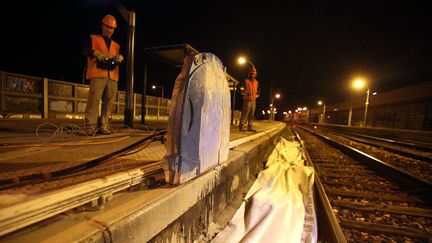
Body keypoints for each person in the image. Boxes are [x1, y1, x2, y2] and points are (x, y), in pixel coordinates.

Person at [83, 14, 124, 134]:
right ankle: (90, 126)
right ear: (102, 26)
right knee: (94, 101)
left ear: (113, 30)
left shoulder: (116, 45)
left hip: (112, 76)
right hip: (98, 75)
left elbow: (117, 58)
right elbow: (85, 50)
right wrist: (95, 53)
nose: (108, 29)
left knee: (109, 102)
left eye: (111, 28)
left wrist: (120, 57)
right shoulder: (93, 38)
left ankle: (104, 126)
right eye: (106, 26)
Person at [238, 66, 260, 132]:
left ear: (255, 74)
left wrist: (258, 94)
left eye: (253, 74)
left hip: (253, 100)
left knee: (252, 114)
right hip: (247, 100)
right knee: (245, 113)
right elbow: (239, 87)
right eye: (251, 74)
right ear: (249, 74)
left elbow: (259, 90)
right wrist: (243, 92)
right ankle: (241, 127)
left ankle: (250, 127)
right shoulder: (245, 81)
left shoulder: (256, 82)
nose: (252, 75)